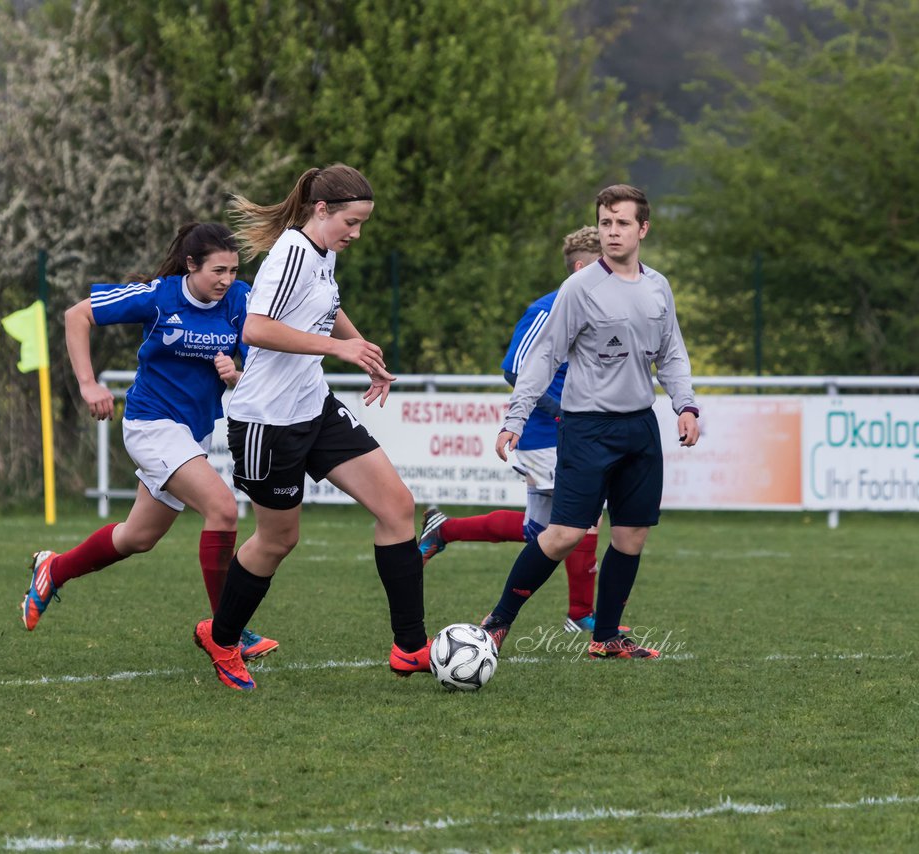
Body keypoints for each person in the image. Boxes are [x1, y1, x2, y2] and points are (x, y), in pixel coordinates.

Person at [191, 164, 430, 691]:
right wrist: (338, 348)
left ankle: (411, 648)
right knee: (278, 540)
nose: (356, 233)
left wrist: (362, 349)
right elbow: (255, 328)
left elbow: (328, 308)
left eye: (363, 223)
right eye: (351, 221)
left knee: (397, 507)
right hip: (266, 422)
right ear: (321, 211)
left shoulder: (322, 255)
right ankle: (223, 638)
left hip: (312, 406)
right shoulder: (291, 253)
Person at [20, 222, 278, 661]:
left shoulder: (239, 301)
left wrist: (236, 375)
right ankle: (226, 632)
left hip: (191, 433)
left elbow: (256, 365)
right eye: (218, 270)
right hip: (151, 425)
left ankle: (54, 569)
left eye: (234, 270)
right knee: (221, 508)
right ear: (191, 265)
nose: (227, 280)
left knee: (137, 537)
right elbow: (76, 316)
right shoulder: (160, 296)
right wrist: (88, 384)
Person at [480, 185, 700, 660]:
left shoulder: (658, 286)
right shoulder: (578, 288)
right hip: (586, 428)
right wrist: (514, 419)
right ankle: (497, 622)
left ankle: (605, 637)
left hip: (639, 428)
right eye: (605, 222)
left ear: (643, 228)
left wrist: (686, 406)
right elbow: (543, 357)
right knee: (564, 535)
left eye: (621, 223)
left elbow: (672, 354)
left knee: (631, 536)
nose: (612, 232)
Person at [419, 226, 622, 634]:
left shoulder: (601, 313)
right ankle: (581, 614)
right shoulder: (548, 309)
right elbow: (515, 369)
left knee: (540, 530)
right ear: (582, 268)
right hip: (547, 434)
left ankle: (445, 529)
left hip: (575, 434)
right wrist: (562, 412)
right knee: (584, 520)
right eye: (607, 265)